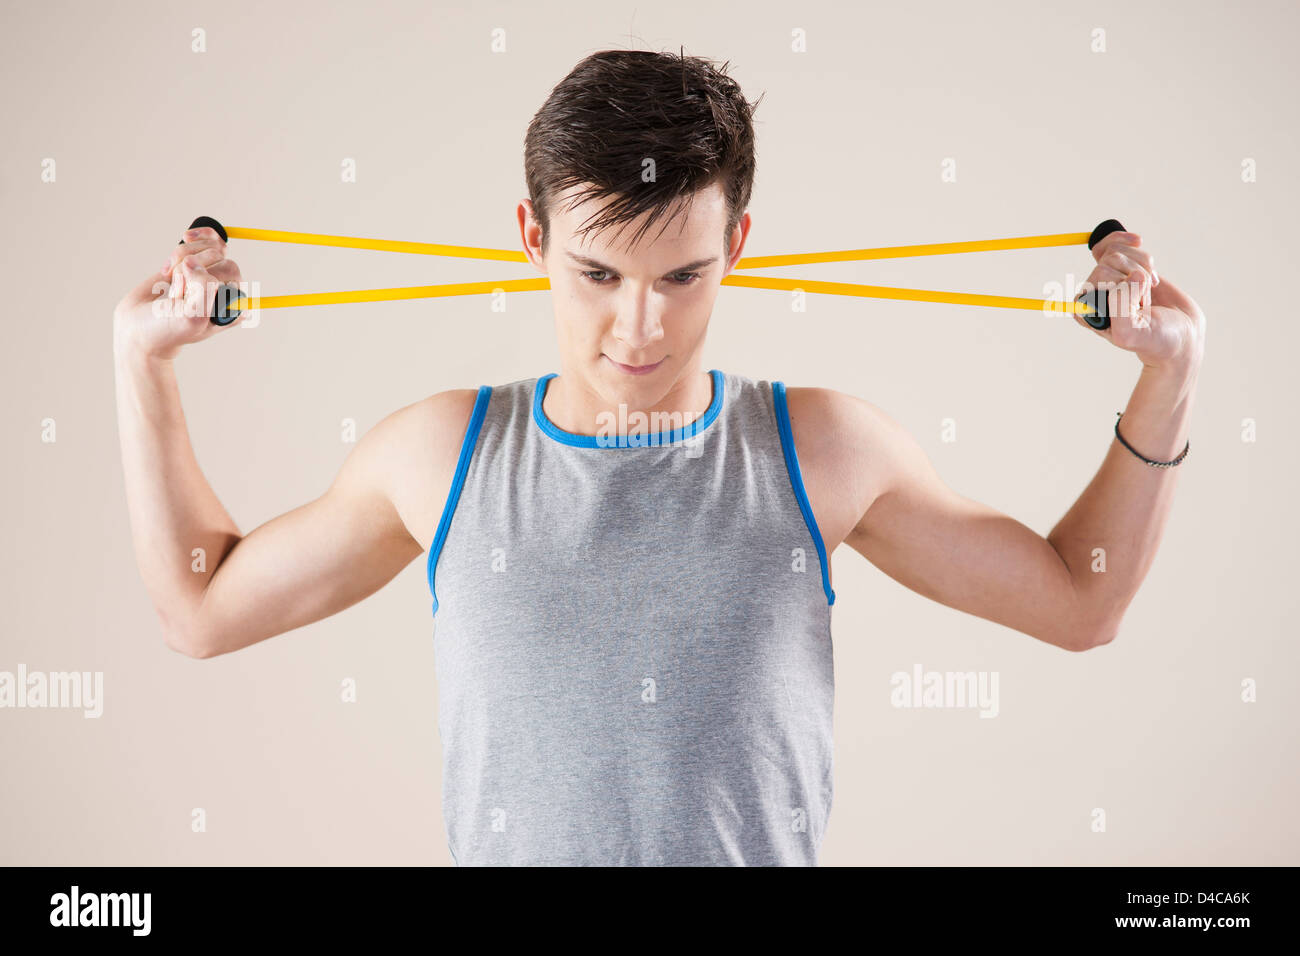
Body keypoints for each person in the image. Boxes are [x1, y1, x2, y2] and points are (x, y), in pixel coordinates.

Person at [112, 50, 1205, 866]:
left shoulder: (818, 448)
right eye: (598, 275)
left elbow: (1077, 603)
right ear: (531, 238)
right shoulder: (443, 456)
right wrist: (143, 363)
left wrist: (1167, 374)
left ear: (737, 242)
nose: (638, 328)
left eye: (681, 277)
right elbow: (199, 611)